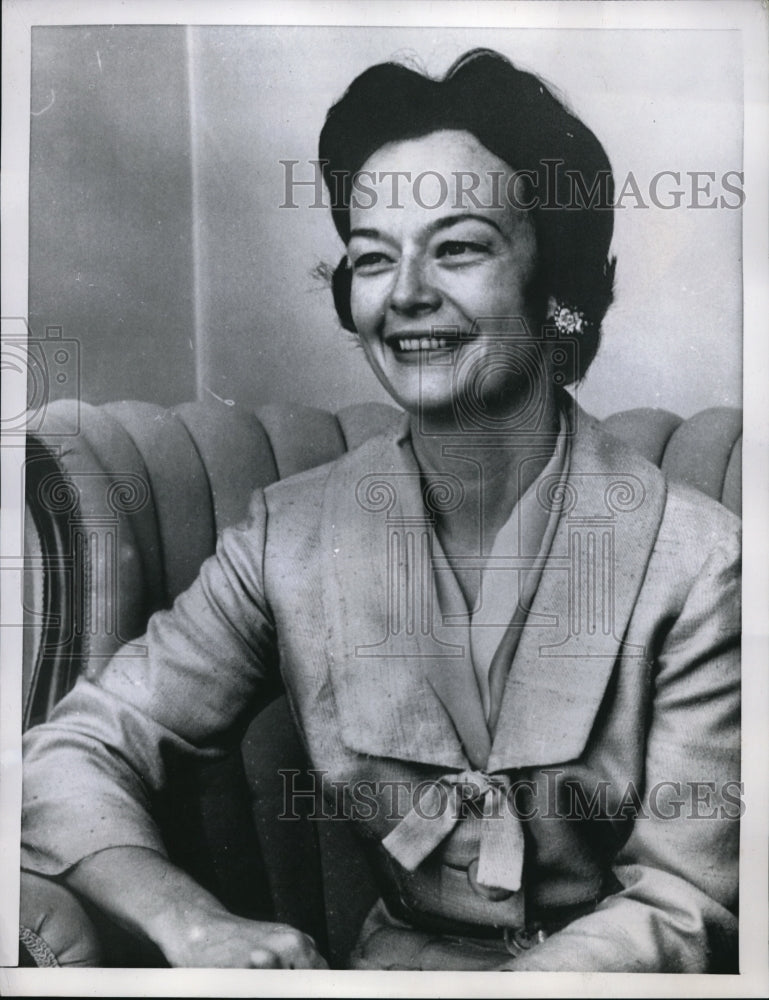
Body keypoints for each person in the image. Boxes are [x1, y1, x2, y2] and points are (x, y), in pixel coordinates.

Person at [21, 49, 740, 972]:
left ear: (554, 281)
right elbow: (74, 751)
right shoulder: (288, 538)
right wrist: (191, 922)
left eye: (458, 248)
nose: (404, 295)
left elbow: (686, 898)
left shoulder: (699, 561)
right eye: (371, 258)